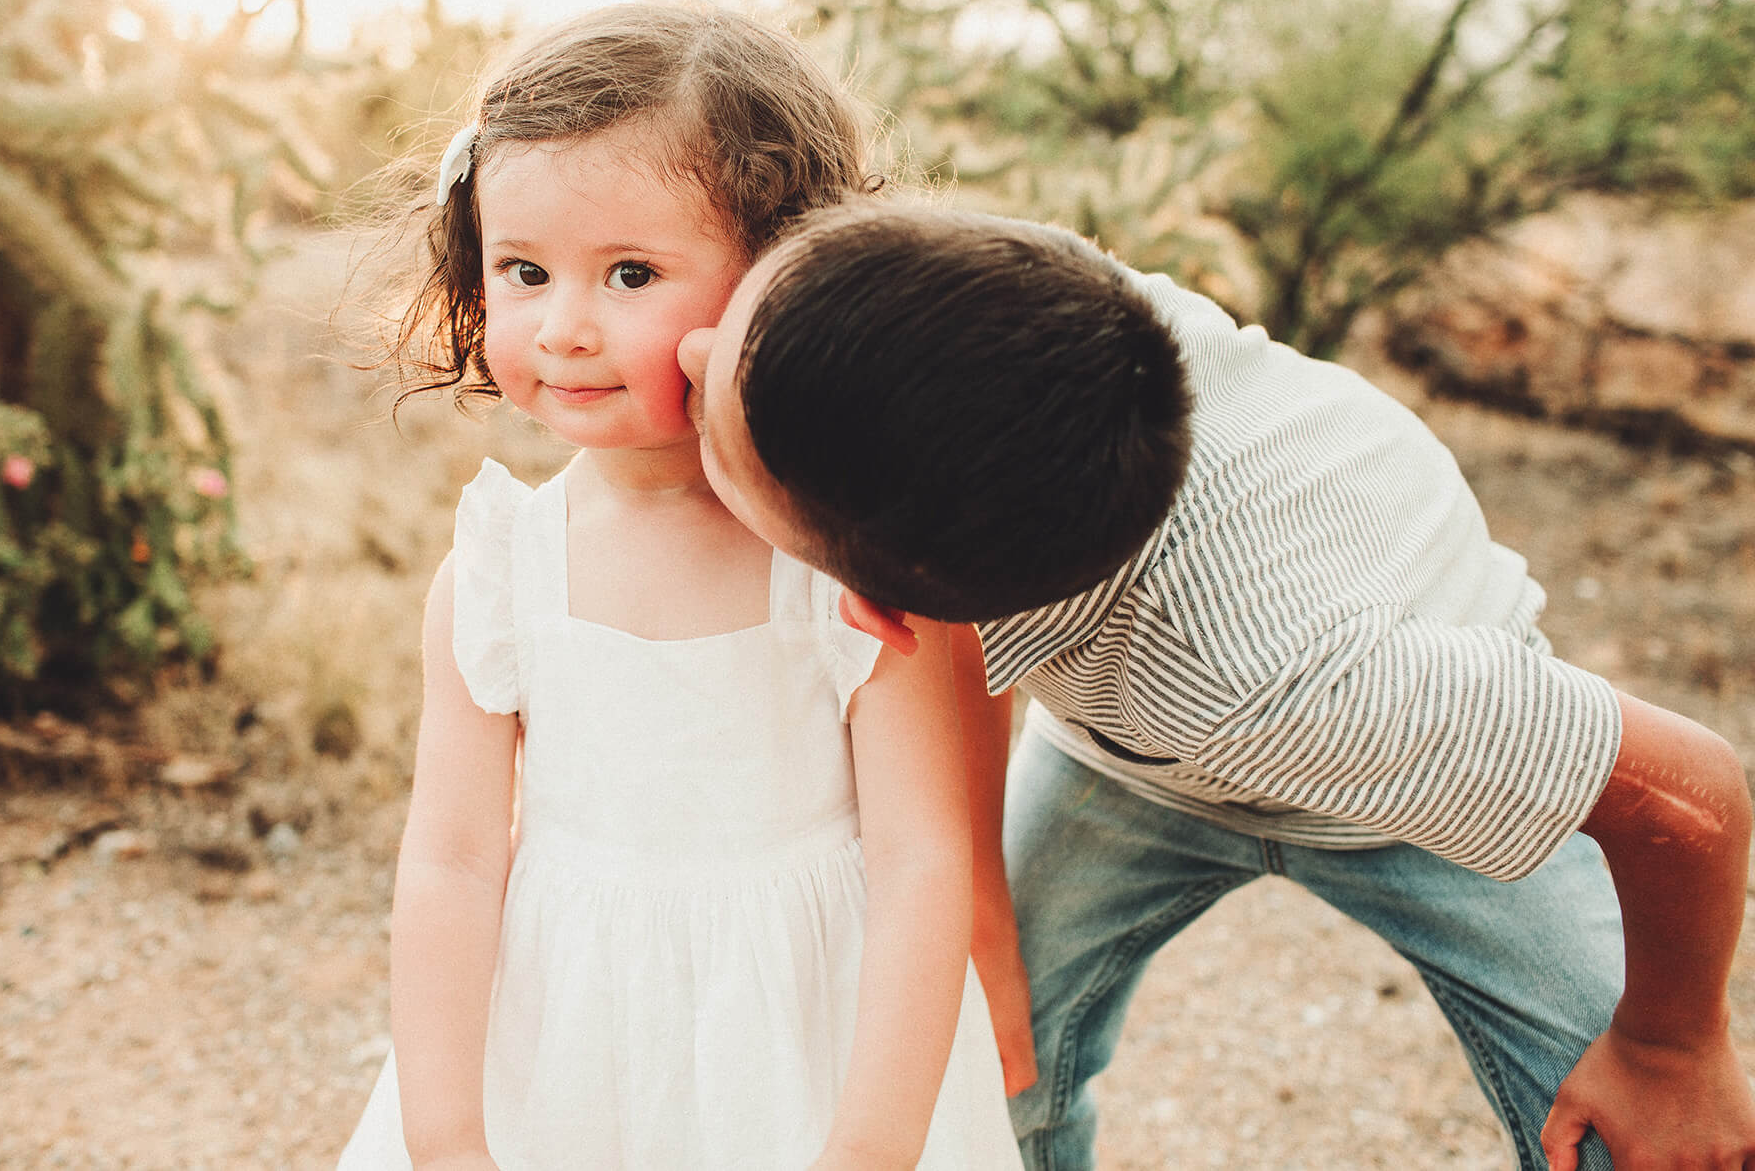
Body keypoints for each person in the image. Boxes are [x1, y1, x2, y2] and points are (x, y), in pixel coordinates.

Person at [675, 199, 1755, 1171]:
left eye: (711, 427)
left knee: (1641, 1139)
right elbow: (958, 645)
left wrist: (1670, 1040)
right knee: (980, 1049)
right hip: (1128, 754)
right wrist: (985, 921)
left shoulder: (1307, 678)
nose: (690, 343)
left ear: (862, 600)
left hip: (1398, 764)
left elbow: (1683, 791)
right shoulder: (995, 334)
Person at [335, 5, 1022, 1170]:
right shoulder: (500, 571)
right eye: (524, 271)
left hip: (811, 1059)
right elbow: (451, 856)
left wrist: (870, 1149)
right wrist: (445, 1135)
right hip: (563, 1057)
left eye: (630, 274)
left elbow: (918, 859)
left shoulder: (846, 571)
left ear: (778, 276)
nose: (562, 328)